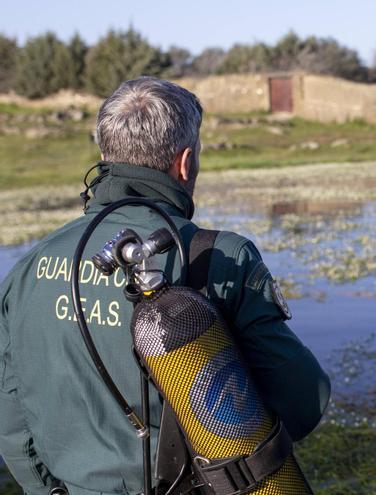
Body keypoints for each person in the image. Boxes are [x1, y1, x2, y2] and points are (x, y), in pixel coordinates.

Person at [0, 77, 330, 494]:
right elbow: (304, 404)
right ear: (186, 162)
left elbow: (11, 421)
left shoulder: (30, 264)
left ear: (104, 156)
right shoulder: (221, 257)